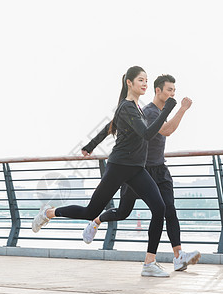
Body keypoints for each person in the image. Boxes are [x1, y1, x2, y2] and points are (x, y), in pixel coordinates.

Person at [32, 66, 177, 277]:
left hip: (136, 168)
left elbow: (110, 127)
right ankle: (48, 212)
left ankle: (149, 263)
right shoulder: (126, 107)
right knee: (90, 211)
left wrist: (91, 145)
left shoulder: (135, 107)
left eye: (146, 80)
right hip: (119, 167)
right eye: (140, 80)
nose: (145, 83)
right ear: (129, 82)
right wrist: (168, 109)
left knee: (159, 208)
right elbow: (146, 134)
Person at [81, 74, 201, 272]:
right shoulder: (149, 112)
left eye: (174, 91)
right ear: (158, 91)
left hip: (160, 169)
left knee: (168, 210)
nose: (173, 94)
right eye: (169, 90)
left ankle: (178, 256)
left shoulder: (158, 111)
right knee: (123, 212)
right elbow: (168, 129)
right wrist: (182, 108)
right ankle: (96, 220)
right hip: (140, 170)